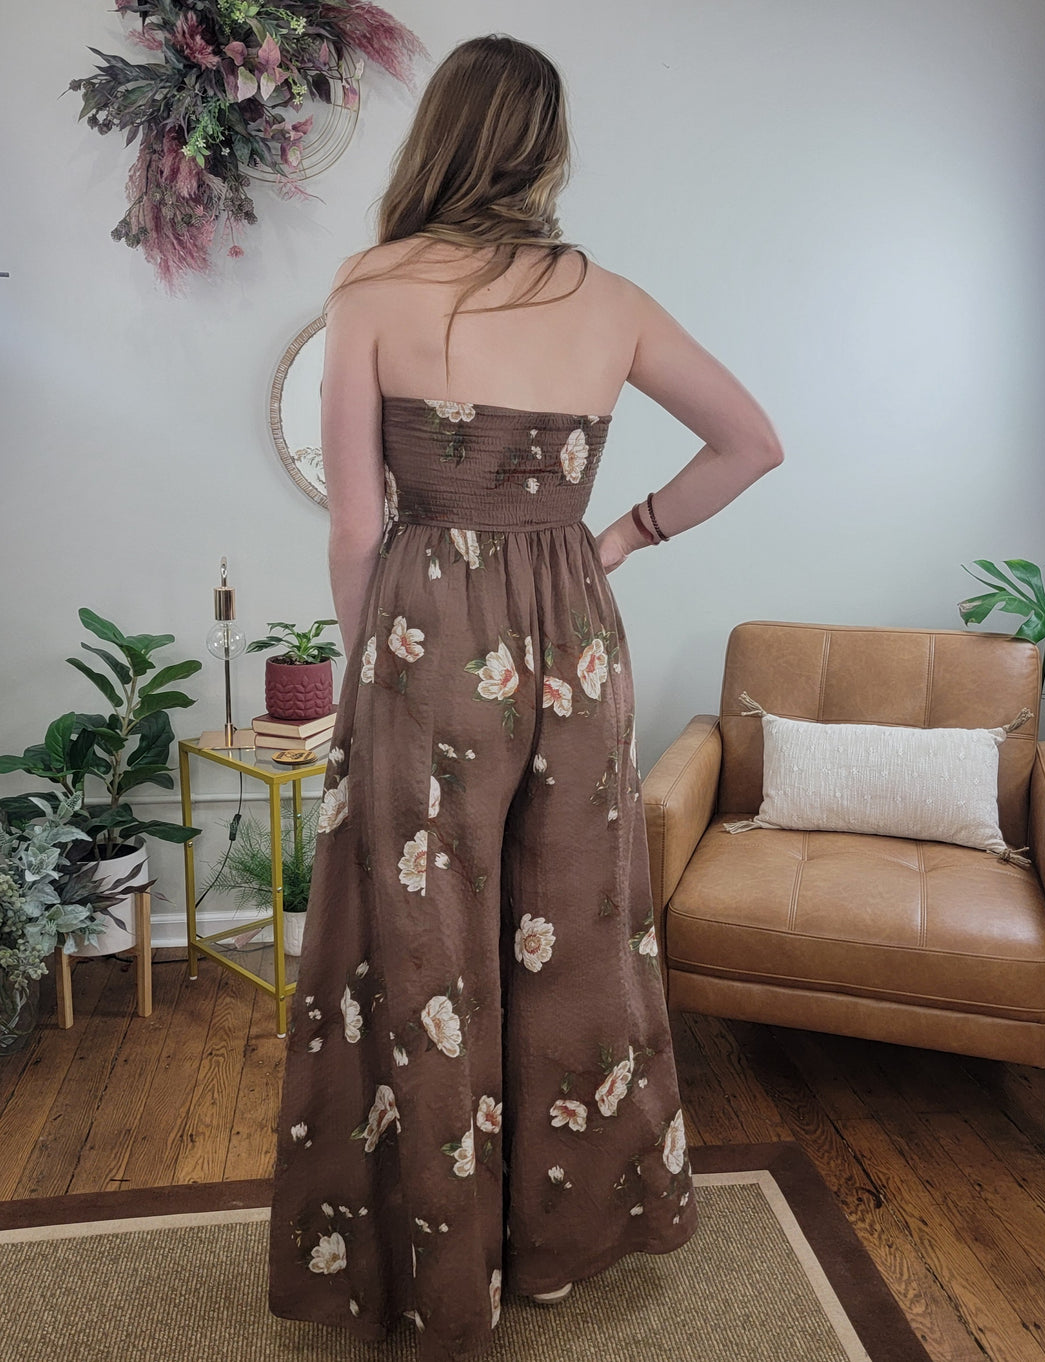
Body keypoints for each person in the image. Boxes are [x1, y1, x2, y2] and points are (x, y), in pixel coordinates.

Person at [268, 31, 784, 1362]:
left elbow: (353, 525)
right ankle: (551, 1250)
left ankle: (447, 1271)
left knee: (424, 943)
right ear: (546, 149)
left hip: (426, 641)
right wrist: (616, 539)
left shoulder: (370, 283)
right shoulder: (608, 297)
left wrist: (375, 658)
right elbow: (752, 441)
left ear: (438, 132)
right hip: (576, 642)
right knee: (572, 931)